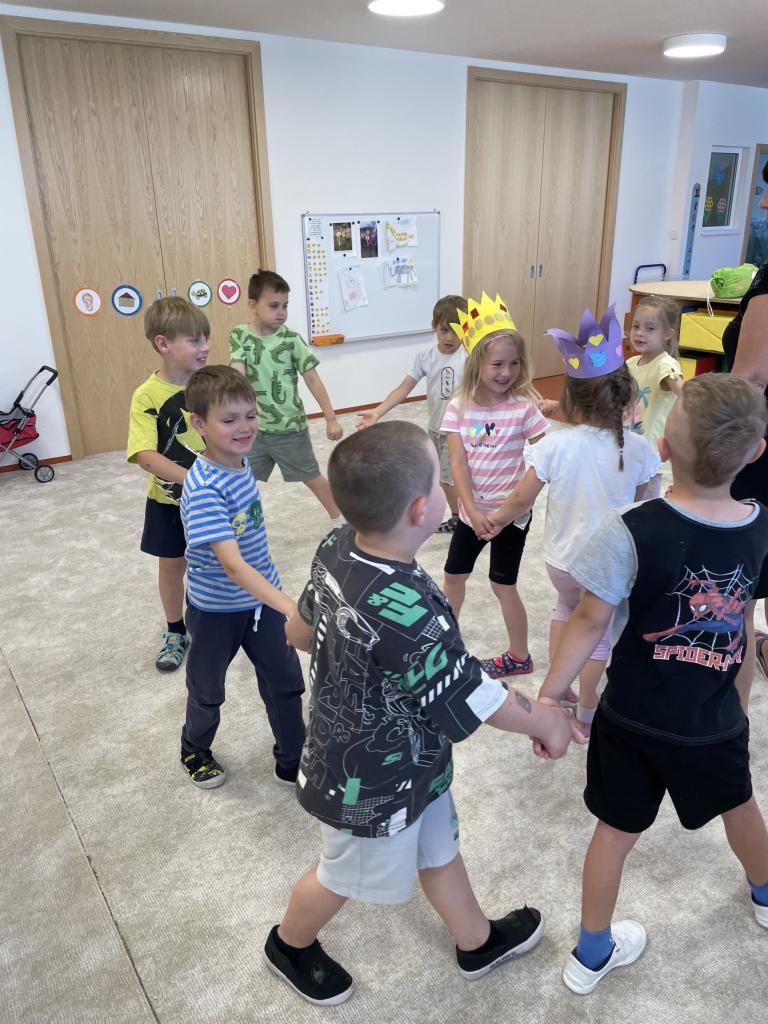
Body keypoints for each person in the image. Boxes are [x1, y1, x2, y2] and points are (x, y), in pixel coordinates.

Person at [263, 420, 579, 1006]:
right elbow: (473, 693)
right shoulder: (411, 612)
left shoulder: (337, 542)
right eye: (439, 484)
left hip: (411, 757)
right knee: (343, 873)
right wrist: (545, 719)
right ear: (420, 509)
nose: (445, 494)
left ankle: (476, 941)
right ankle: (289, 944)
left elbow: (300, 630)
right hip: (368, 778)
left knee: (437, 843)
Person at [533, 373, 768, 995]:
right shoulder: (760, 528)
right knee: (741, 805)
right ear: (755, 453)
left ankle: (590, 953)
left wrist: (551, 694)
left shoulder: (631, 527)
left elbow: (588, 619)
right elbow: (743, 624)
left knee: (614, 833)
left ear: (662, 447)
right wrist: (740, 704)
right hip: (713, 722)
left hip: (630, 717)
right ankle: (767, 896)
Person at [482, 306, 659, 734]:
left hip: (561, 562)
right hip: (607, 569)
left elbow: (521, 497)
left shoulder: (555, 445)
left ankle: (559, 689)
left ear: (571, 400)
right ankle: (587, 707)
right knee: (597, 631)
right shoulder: (640, 451)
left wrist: (495, 520)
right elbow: (647, 510)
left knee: (565, 609)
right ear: (627, 398)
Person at [178, 365, 305, 788]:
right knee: (207, 690)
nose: (245, 427)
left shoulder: (240, 460)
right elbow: (232, 565)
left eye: (250, 415)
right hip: (215, 610)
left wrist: (273, 601)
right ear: (199, 424)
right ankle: (194, 749)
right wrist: (289, 605)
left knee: (286, 682)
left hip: (261, 603)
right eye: (229, 420)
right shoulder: (205, 488)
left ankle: (293, 757)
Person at [440, 292, 549, 679]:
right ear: (477, 363)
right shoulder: (459, 406)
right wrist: (470, 510)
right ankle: (446, 648)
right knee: (453, 577)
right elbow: (458, 463)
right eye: (497, 364)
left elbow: (545, 457)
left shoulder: (523, 407)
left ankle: (519, 655)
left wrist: (503, 514)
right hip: (473, 513)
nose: (507, 372)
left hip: (512, 516)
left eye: (514, 363)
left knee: (503, 585)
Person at [127, 297, 210, 671]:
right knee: (173, 567)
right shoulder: (146, 395)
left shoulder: (211, 385)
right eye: (194, 340)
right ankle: (176, 630)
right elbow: (145, 455)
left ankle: (221, 618)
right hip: (169, 503)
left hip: (214, 500)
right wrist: (196, 478)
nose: (205, 346)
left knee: (222, 560)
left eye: (205, 338)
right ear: (163, 344)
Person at [229, 269, 343, 524]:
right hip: (252, 429)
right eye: (273, 305)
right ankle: (237, 525)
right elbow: (237, 374)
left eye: (285, 305)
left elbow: (313, 379)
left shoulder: (291, 340)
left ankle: (341, 520)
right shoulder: (239, 335)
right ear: (253, 305)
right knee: (240, 478)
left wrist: (331, 418)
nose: (281, 312)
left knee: (311, 475)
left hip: (289, 427)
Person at [356, 294, 468, 533]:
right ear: (434, 326)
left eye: (457, 331)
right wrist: (377, 412)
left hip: (458, 430)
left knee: (448, 480)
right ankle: (460, 516)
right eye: (444, 330)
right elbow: (403, 389)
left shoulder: (469, 357)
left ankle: (462, 519)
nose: (450, 337)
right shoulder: (426, 357)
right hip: (435, 428)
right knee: (439, 477)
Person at [724, 161, 768, 675]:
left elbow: (751, 379)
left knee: (742, 588)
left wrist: (703, 456)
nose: (761, 203)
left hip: (760, 445)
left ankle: (728, 705)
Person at [626, 294, 684, 497]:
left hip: (651, 448)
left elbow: (684, 393)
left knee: (645, 502)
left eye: (650, 328)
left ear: (667, 334)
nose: (640, 333)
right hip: (630, 441)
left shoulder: (665, 364)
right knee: (627, 496)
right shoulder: (631, 363)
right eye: (636, 326)